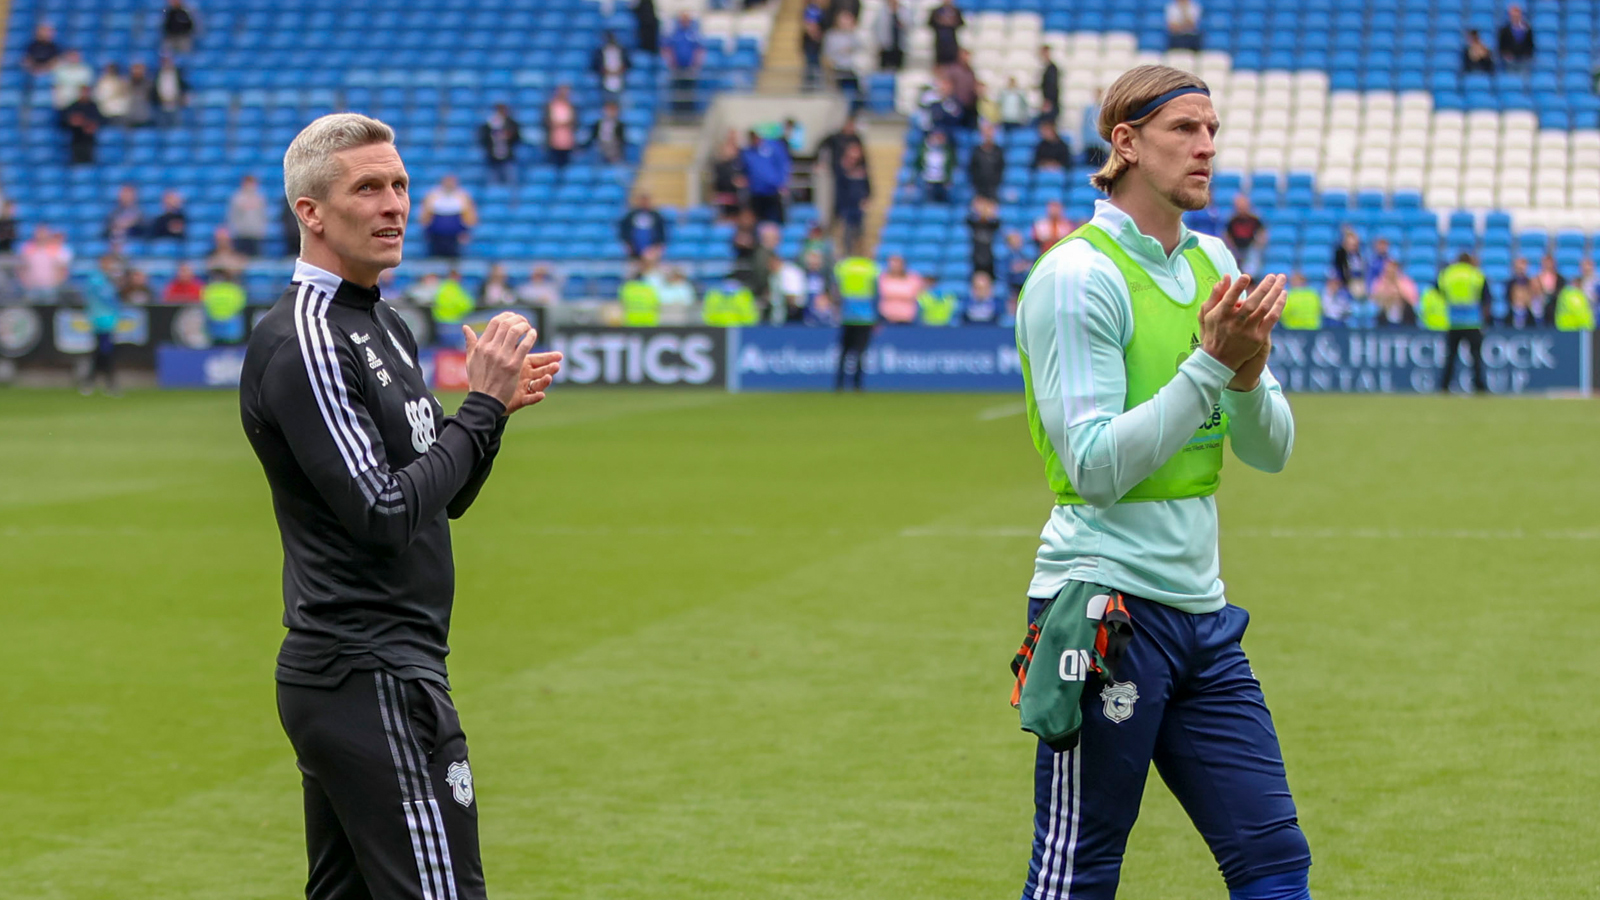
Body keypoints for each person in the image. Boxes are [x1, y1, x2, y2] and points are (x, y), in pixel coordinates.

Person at [240, 113, 563, 900]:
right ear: (310, 212)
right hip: (365, 670)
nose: (394, 205)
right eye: (368, 188)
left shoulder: (387, 322)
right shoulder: (308, 338)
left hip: (392, 665)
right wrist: (477, 412)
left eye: (400, 185)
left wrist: (487, 418)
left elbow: (437, 501)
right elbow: (383, 514)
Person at [1013, 65, 1309, 900]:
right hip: (1105, 610)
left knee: (1275, 859)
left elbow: (1272, 450)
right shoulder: (1079, 278)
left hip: (1202, 617)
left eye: (1212, 130)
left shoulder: (1213, 259)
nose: (1207, 146)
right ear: (1127, 143)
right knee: (1080, 867)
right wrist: (1211, 362)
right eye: (1185, 129)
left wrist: (1245, 373)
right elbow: (1096, 469)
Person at [1437, 252, 1490, 394]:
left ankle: (1445, 385)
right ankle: (1478, 385)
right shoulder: (1476, 275)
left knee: (1450, 357)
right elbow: (1485, 299)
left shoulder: (1447, 274)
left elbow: (1440, 292)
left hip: (1454, 322)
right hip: (1472, 322)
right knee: (1475, 358)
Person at [80, 254, 124, 396]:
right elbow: (106, 298)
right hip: (100, 320)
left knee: (103, 351)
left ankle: (92, 381)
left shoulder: (107, 280)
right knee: (103, 351)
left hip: (109, 320)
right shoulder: (97, 280)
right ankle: (104, 382)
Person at [833, 253, 879, 390]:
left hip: (848, 315)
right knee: (860, 352)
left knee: (844, 351)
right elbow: (876, 294)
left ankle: (839, 384)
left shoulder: (843, 266)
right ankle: (857, 385)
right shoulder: (871, 267)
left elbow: (836, 290)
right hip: (865, 317)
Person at [740, 130, 791, 224]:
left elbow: (783, 164)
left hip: (773, 191)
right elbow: (744, 170)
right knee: (757, 222)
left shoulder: (773, 148)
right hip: (756, 193)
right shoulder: (748, 152)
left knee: (775, 221)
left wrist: (782, 182)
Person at [421, 175, 477, 258]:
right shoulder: (433, 196)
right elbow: (425, 218)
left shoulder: (463, 197)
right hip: (436, 237)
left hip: (455, 238)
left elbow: (470, 218)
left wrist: (466, 232)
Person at [833, 143, 871, 255]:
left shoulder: (862, 170)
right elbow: (840, 190)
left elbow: (868, 187)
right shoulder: (842, 169)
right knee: (847, 233)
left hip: (858, 207)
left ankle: (859, 252)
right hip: (846, 207)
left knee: (859, 233)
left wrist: (865, 199)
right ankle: (847, 253)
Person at [663, 13, 705, 115]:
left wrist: (696, 64)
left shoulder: (693, 34)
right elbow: (667, 48)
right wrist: (671, 62)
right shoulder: (675, 34)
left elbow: (699, 50)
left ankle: (689, 113)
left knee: (689, 92)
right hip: (677, 68)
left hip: (690, 69)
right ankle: (677, 113)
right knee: (677, 92)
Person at [19, 226, 73, 303]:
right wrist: (25, 283)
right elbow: (22, 268)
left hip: (51, 288)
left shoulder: (55, 249)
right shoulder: (28, 249)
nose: (41, 236)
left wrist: (57, 283)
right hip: (32, 288)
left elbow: (62, 269)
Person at [823, 12, 863, 111]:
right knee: (842, 95)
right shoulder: (831, 36)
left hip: (851, 69)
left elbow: (861, 47)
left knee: (858, 94)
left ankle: (853, 114)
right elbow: (828, 53)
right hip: (838, 69)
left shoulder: (853, 35)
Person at [1223, 193, 1267, 277]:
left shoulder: (1254, 219)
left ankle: (1251, 279)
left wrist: (1258, 244)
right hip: (1236, 248)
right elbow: (1227, 234)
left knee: (1253, 261)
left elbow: (1262, 232)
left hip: (1250, 247)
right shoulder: (1232, 219)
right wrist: (1231, 246)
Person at [480, 104, 522, 184]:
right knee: (493, 184)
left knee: (511, 182)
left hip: (508, 158)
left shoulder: (510, 123)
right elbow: (483, 138)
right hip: (493, 159)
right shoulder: (489, 124)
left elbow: (517, 136)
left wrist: (508, 135)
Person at [228, 174, 269, 256]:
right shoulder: (237, 198)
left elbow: (263, 216)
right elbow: (233, 216)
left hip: (255, 234)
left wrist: (262, 229)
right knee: (241, 256)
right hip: (241, 234)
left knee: (255, 256)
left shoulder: (259, 198)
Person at [618, 192, 667, 259]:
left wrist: (657, 247)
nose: (644, 202)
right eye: (642, 200)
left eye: (646, 200)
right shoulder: (630, 215)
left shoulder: (656, 216)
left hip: (652, 250)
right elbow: (624, 230)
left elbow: (661, 232)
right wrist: (628, 244)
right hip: (633, 250)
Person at [1369, 260, 1417, 327]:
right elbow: (1374, 299)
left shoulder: (1406, 282)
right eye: (1388, 270)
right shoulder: (1379, 282)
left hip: (1404, 318)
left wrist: (1397, 286)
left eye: (1393, 270)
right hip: (1385, 316)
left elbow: (1412, 301)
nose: (1391, 272)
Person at [61, 86, 102, 165]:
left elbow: (99, 120)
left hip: (89, 140)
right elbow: (65, 119)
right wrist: (73, 121)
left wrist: (88, 123)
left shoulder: (93, 106)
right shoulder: (74, 106)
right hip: (76, 139)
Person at [710, 130, 746, 219]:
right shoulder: (719, 165)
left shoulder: (741, 162)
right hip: (724, 197)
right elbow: (717, 182)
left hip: (737, 198)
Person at [876, 253, 922, 323]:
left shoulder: (913, 278)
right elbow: (884, 292)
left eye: (897, 263)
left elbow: (912, 294)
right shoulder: (883, 277)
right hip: (886, 317)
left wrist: (894, 294)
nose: (895, 266)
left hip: (907, 318)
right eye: (892, 263)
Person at [544, 85, 578, 172]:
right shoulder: (550, 106)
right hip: (553, 141)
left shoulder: (571, 107)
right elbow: (545, 122)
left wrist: (567, 124)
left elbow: (575, 123)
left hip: (567, 140)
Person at [970, 121, 1006, 201]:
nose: (988, 136)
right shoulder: (977, 151)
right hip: (979, 189)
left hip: (994, 188)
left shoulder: (998, 151)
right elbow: (973, 169)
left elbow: (1000, 168)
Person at [592, 31, 630, 104]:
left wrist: (620, 70)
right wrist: (604, 71)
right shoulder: (600, 52)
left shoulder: (622, 51)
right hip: (604, 83)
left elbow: (628, 64)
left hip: (621, 82)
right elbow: (595, 67)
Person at [1331, 227, 1368, 301]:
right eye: (1350, 244)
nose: (1353, 246)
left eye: (1354, 244)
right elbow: (1338, 271)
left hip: (1360, 281)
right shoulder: (1341, 256)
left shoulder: (1361, 255)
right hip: (1346, 283)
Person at [968, 195, 1001, 276]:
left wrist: (991, 214)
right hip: (974, 261)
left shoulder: (995, 225)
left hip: (991, 263)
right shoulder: (971, 223)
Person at [152, 54, 188, 127]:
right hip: (161, 106)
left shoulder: (178, 74)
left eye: (168, 60)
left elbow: (184, 87)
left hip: (175, 106)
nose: (166, 63)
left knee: (176, 128)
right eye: (164, 61)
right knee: (162, 128)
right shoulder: (157, 74)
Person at [917, 128, 952, 204]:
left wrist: (948, 179)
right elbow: (918, 165)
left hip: (942, 181)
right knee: (929, 202)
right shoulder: (924, 150)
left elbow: (951, 166)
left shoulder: (947, 150)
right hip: (928, 181)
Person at [873, 0, 909, 71]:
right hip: (885, 46)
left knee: (898, 69)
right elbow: (877, 28)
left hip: (899, 45)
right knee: (885, 70)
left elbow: (909, 25)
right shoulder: (882, 12)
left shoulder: (904, 11)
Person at [1497, 4, 1534, 73]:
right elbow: (1501, 44)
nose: (1515, 17)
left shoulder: (1527, 29)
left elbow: (1530, 44)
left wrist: (1527, 55)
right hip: (1509, 60)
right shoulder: (1504, 30)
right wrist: (1506, 54)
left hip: (1523, 60)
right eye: (1513, 16)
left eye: (1517, 15)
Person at [927, 0, 965, 66]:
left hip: (952, 41)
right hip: (940, 41)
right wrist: (940, 22)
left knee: (952, 63)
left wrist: (952, 22)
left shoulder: (956, 11)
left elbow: (961, 24)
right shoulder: (936, 11)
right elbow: (930, 23)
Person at [801, 0, 825, 90]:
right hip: (811, 44)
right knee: (810, 65)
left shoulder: (821, 10)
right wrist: (815, 34)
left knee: (817, 66)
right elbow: (809, 25)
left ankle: (815, 86)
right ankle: (808, 87)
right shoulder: (811, 9)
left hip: (818, 44)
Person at [1082, 89, 1110, 166]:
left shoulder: (1105, 109)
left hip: (1102, 144)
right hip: (1090, 143)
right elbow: (1084, 126)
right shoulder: (1088, 109)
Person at [125, 62, 154, 127]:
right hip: (131, 115)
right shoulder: (127, 83)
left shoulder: (149, 84)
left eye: (139, 69)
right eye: (135, 69)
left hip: (145, 115)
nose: (137, 72)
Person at [1039, 45, 1061, 124]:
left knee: (1048, 126)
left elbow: (1052, 86)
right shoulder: (1045, 68)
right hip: (1049, 102)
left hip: (1051, 103)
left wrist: (1048, 101)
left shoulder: (1052, 68)